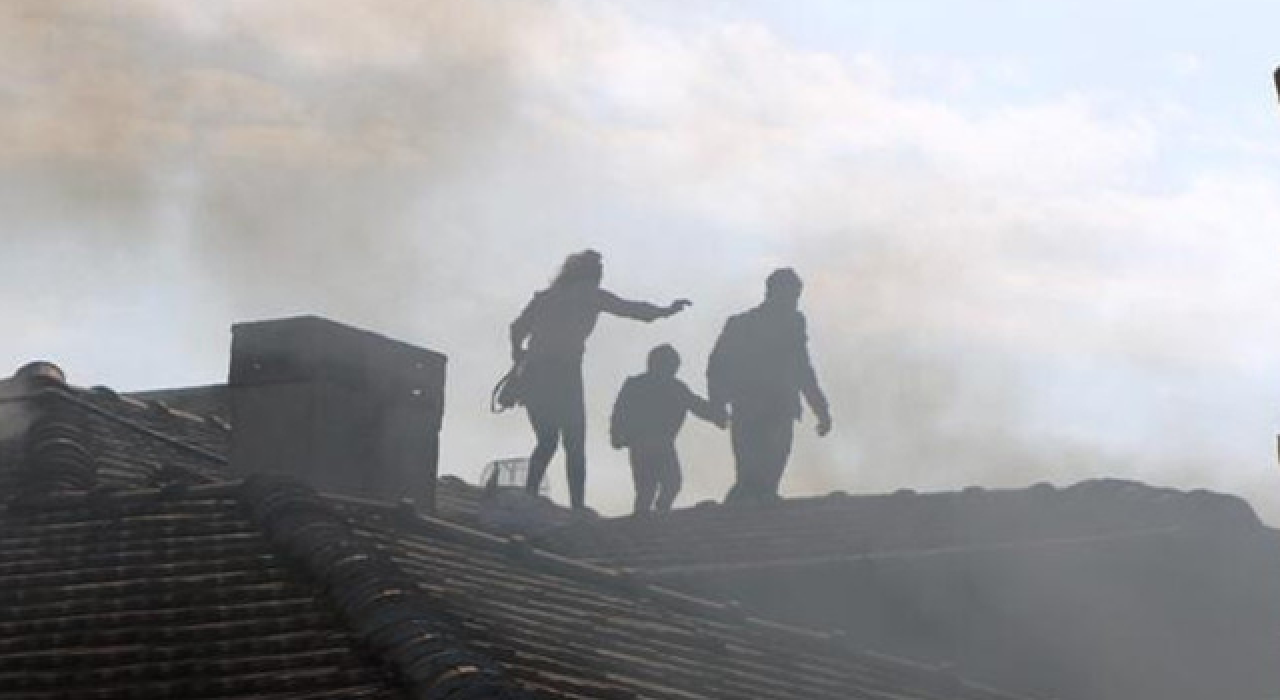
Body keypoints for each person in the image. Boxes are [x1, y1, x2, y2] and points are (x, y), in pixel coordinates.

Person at [510, 250, 690, 511]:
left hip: (534, 375)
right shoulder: (589, 295)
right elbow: (631, 309)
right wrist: (666, 311)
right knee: (574, 441)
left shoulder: (545, 299)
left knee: (547, 440)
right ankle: (576, 505)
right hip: (563, 376)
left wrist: (518, 355)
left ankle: (531, 494)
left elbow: (516, 329)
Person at [707, 268, 831, 505]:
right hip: (750, 406)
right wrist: (717, 403)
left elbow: (802, 368)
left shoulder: (793, 324)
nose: (793, 302)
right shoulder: (741, 325)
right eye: (790, 296)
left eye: (795, 297)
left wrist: (821, 409)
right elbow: (719, 365)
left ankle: (757, 514)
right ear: (773, 292)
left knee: (770, 473)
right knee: (749, 474)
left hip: (779, 407)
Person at [610, 344, 725, 516]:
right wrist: (617, 435)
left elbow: (697, 405)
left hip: (657, 443)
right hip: (645, 443)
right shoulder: (638, 385)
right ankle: (644, 520)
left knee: (667, 484)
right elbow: (620, 412)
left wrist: (719, 416)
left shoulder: (673, 387)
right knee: (650, 487)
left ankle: (656, 513)